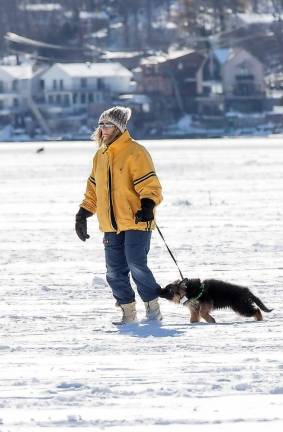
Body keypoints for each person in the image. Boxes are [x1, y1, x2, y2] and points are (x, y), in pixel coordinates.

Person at [75, 106, 163, 325]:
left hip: (136, 220)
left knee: (136, 264)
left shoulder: (136, 152)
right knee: (114, 272)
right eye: (101, 124)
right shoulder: (100, 156)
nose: (103, 129)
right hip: (110, 225)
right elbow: (93, 189)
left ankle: (152, 308)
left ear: (120, 127)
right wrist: (82, 214)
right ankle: (128, 313)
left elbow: (149, 184)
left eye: (108, 124)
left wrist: (148, 206)